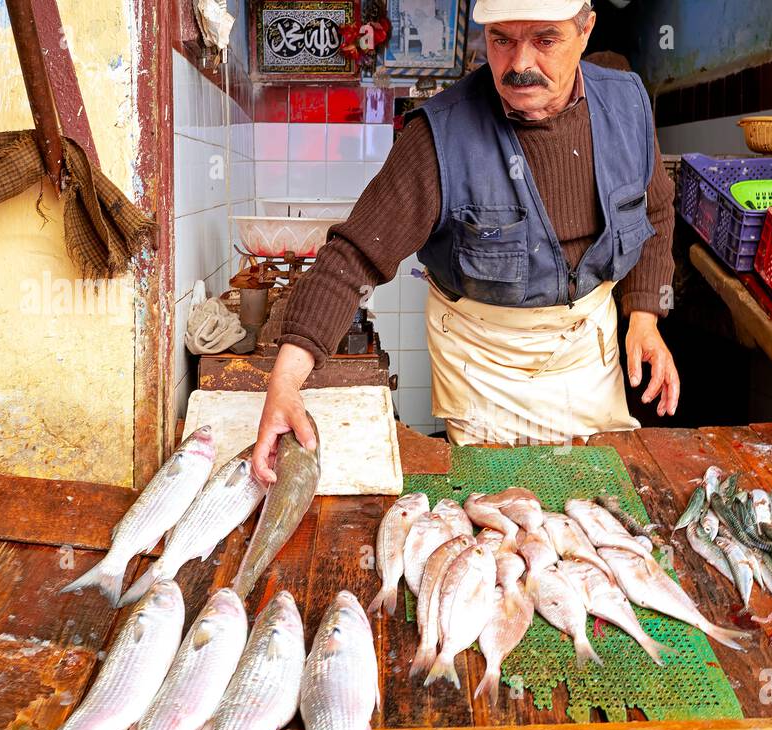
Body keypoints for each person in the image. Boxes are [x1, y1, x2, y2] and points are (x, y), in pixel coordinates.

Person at [251, 0, 676, 484]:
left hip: (586, 356)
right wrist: (283, 384)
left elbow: (656, 208)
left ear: (585, 30)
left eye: (545, 39)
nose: (519, 64)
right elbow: (352, 258)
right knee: (498, 510)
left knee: (597, 493)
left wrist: (644, 317)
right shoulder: (440, 137)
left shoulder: (628, 106)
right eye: (502, 40)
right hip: (483, 363)